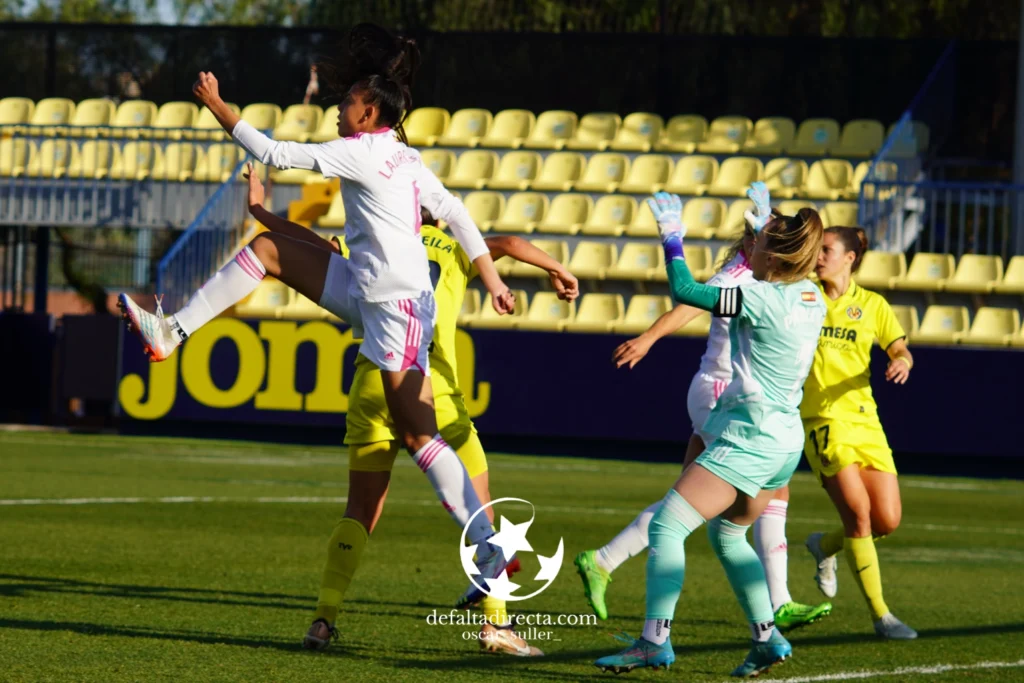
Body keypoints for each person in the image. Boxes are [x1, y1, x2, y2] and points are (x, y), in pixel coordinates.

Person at [117, 24, 515, 599]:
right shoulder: (403, 156)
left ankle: (487, 547)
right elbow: (457, 213)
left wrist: (219, 108)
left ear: (369, 111)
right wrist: (493, 277)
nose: (338, 107)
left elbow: (275, 152)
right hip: (367, 287)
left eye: (348, 101)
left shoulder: (361, 152)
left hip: (398, 308)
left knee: (418, 436)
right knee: (268, 250)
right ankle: (171, 331)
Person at [304, 206, 578, 655]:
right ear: (438, 220)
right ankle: (496, 625)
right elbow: (508, 244)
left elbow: (317, 249)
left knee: (359, 511)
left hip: (371, 381)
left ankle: (322, 619)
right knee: (481, 513)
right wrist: (556, 268)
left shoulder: (374, 243)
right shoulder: (453, 247)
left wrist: (261, 212)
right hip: (429, 387)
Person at [576, 187, 831, 633]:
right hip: (780, 431)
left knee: (677, 520)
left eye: (764, 235)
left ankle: (648, 627)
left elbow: (686, 291)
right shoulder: (813, 296)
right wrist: (767, 229)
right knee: (727, 527)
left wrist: (672, 236)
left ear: (770, 251)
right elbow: (758, 277)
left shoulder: (753, 294)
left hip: (746, 419)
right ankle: (771, 626)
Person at [801, 226, 917, 640]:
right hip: (822, 420)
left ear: (850, 258)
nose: (819, 256)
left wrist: (902, 360)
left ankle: (823, 545)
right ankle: (881, 616)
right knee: (859, 514)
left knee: (887, 520)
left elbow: (899, 347)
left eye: (827, 250)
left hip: (866, 420)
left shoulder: (872, 304)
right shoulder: (803, 295)